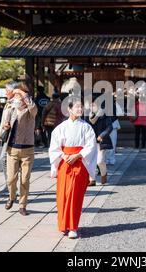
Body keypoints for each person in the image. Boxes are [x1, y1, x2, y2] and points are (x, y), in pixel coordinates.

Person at [49, 98, 97, 239]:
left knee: (75, 195)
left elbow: (91, 145)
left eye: (81, 107)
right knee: (63, 194)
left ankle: (73, 227)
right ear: (69, 109)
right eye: (76, 107)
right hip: (65, 162)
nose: (79, 109)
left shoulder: (86, 127)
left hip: (80, 163)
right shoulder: (61, 127)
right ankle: (63, 224)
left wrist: (78, 155)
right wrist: (63, 156)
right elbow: (54, 146)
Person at [3, 84, 37, 216]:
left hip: (27, 149)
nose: (17, 98)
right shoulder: (11, 109)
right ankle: (12, 197)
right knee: (11, 179)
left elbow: (33, 107)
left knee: (25, 179)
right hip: (12, 149)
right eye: (16, 95)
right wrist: (6, 126)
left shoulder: (30, 111)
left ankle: (22, 205)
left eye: (20, 96)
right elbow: (6, 123)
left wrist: (22, 93)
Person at [0, 81, 18, 196]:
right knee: (5, 159)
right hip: (6, 134)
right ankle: (9, 184)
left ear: (12, 91)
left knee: (4, 158)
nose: (5, 92)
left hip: (12, 136)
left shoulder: (16, 103)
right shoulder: (9, 103)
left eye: (6, 90)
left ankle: (11, 184)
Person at [86, 101, 113, 186]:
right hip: (90, 141)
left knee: (99, 161)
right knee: (90, 161)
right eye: (90, 105)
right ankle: (92, 179)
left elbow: (110, 127)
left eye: (93, 105)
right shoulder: (88, 115)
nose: (92, 106)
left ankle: (104, 174)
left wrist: (102, 135)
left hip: (102, 141)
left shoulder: (104, 115)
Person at [105, 94, 122, 167]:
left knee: (111, 142)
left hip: (111, 124)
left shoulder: (114, 105)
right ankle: (109, 159)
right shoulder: (104, 105)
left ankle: (110, 159)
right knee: (111, 142)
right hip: (109, 124)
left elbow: (120, 113)